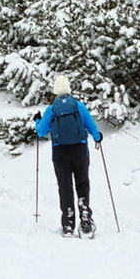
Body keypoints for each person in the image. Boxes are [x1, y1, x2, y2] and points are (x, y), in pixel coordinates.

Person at [34, 75, 103, 235]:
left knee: (65, 187)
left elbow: (41, 131)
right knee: (82, 184)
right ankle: (85, 220)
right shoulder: (78, 106)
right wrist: (97, 136)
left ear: (55, 91)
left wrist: (37, 121)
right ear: (69, 89)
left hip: (60, 152)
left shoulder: (52, 109)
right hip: (80, 150)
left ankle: (68, 224)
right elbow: (91, 126)